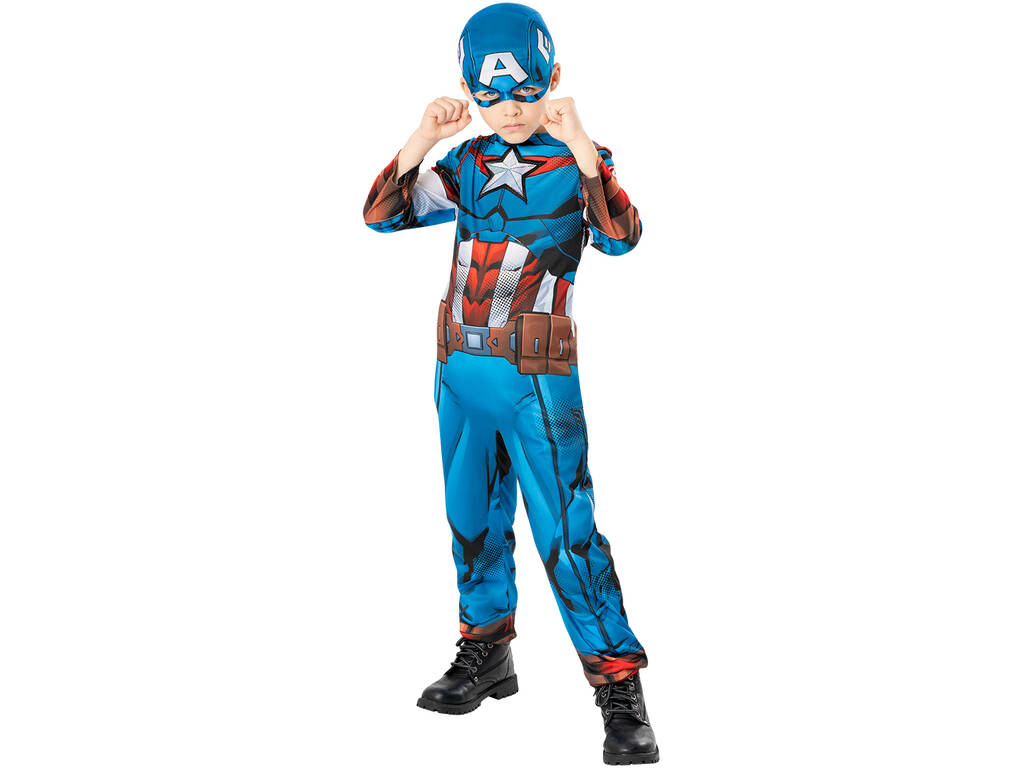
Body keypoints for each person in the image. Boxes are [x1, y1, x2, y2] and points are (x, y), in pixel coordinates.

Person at [362, 3, 658, 763]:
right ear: (470, 91)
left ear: (553, 79)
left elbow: (622, 238)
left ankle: (618, 688)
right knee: (471, 520)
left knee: (569, 536)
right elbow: (381, 217)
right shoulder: (464, 163)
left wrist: (584, 148)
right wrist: (424, 136)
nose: (510, 110)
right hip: (459, 371)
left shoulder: (578, 163)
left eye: (525, 92)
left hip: (538, 377)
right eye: (492, 96)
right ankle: (485, 651)